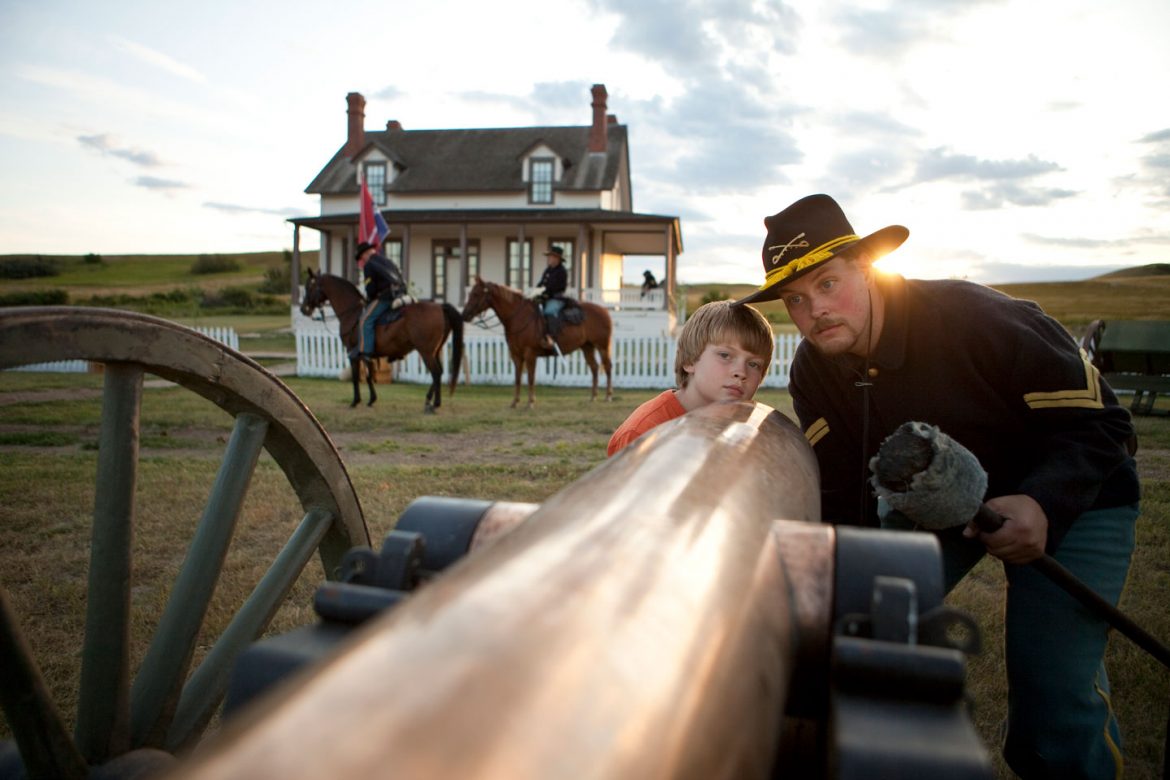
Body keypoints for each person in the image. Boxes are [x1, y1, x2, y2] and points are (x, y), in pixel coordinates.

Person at [733, 193, 1140, 779]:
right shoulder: (814, 370)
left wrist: (1044, 501)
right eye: (796, 299)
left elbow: (1104, 423)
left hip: (1078, 494)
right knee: (860, 627)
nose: (814, 310)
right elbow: (845, 494)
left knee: (1053, 703)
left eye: (828, 284)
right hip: (934, 500)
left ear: (867, 270)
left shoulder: (979, 318)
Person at [607, 300, 773, 456]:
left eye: (754, 364)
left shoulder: (749, 429)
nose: (741, 372)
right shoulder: (643, 433)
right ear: (690, 360)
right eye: (725, 355)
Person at [355, 241, 408, 358]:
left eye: (361, 258)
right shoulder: (388, 261)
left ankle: (366, 352)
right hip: (399, 295)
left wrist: (369, 299)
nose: (362, 260)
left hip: (385, 297)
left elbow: (371, 288)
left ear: (365, 254)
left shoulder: (369, 265)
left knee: (365, 320)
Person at [532, 245, 569, 349]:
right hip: (546, 296)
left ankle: (551, 337)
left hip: (557, 298)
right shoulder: (548, 270)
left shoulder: (562, 271)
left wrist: (544, 295)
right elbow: (541, 284)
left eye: (551, 256)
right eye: (549, 256)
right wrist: (535, 293)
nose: (549, 258)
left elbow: (555, 288)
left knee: (549, 311)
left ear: (557, 259)